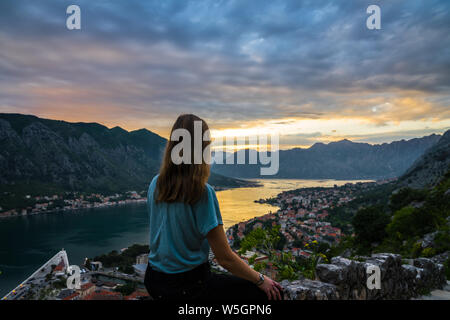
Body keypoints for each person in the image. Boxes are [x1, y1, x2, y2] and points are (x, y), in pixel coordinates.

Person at [144, 114, 283, 301]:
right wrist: (261, 280)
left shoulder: (156, 183)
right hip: (189, 286)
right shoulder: (200, 191)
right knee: (266, 294)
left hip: (154, 280)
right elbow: (224, 257)